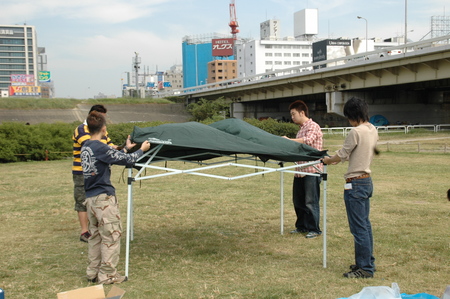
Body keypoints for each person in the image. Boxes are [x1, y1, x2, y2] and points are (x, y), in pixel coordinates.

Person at [81, 111, 150, 284]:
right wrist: (142, 150)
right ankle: (108, 276)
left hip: (90, 199)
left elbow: (111, 157)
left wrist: (126, 147)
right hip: (103, 200)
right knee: (111, 236)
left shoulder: (86, 147)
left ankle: (93, 273)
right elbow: (128, 160)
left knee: (95, 237)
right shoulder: (100, 147)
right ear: (104, 129)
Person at [323, 97, 378, 278]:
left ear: (353, 115)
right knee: (365, 225)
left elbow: (342, 154)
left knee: (358, 228)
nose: (348, 120)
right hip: (366, 181)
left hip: (355, 184)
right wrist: (339, 160)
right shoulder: (372, 129)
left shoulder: (355, 132)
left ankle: (365, 269)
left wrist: (328, 160)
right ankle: (367, 262)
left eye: (348, 116)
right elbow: (355, 154)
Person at [72, 105, 117, 243]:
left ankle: (96, 228)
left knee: (98, 198)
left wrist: (122, 149)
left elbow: (110, 145)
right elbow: (92, 147)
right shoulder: (81, 130)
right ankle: (84, 231)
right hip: (82, 171)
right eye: (101, 117)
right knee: (82, 200)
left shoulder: (103, 131)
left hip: (99, 170)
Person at [284, 100, 323, 239]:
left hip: (311, 170)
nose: (292, 117)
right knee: (298, 201)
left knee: (310, 201)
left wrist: (289, 140)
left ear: (302, 112)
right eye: (291, 115)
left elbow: (308, 140)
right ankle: (301, 226)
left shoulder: (313, 126)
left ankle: (314, 229)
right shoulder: (301, 129)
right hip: (299, 171)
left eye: (294, 114)